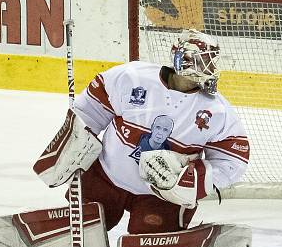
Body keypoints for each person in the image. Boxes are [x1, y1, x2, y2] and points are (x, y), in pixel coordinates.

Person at [63, 28, 249, 234]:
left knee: (148, 240)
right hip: (106, 178)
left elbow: (233, 159)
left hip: (164, 197)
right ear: (182, 59)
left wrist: (198, 179)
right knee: (80, 230)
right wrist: (75, 140)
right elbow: (89, 111)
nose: (210, 67)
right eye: (203, 60)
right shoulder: (132, 77)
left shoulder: (218, 111)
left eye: (211, 61)